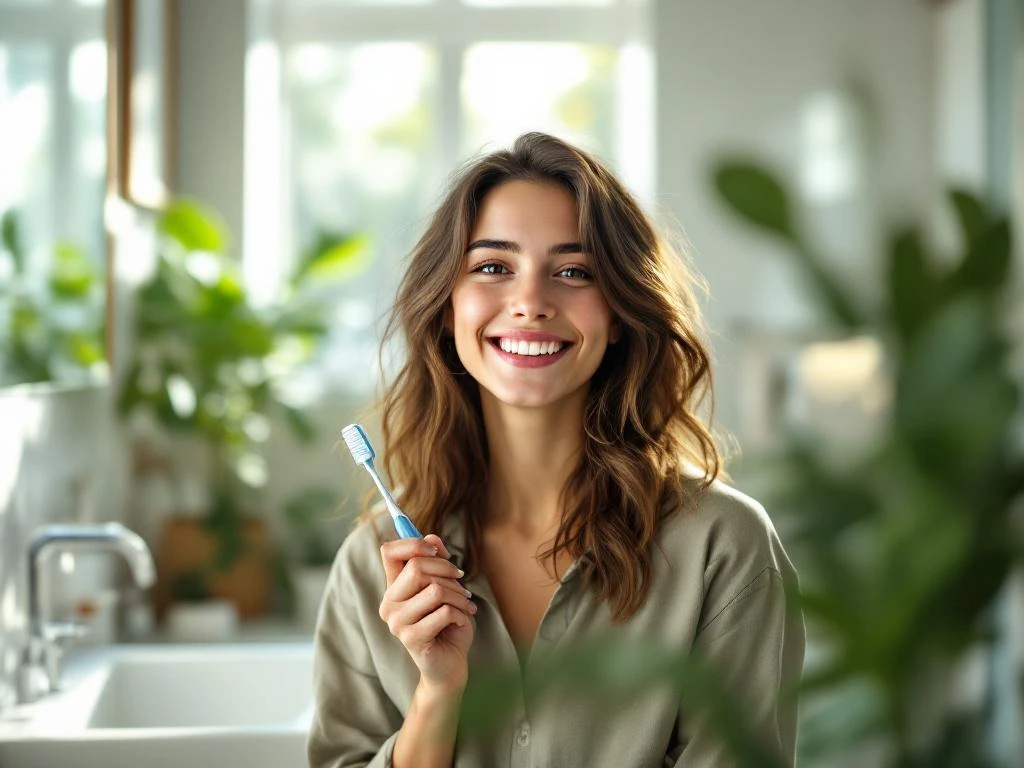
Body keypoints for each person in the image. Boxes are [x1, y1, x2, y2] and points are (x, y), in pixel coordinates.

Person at [308, 132, 804, 768]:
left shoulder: (723, 547)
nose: (531, 303)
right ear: (447, 306)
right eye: (493, 267)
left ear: (621, 310)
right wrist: (438, 694)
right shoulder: (369, 566)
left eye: (574, 272)